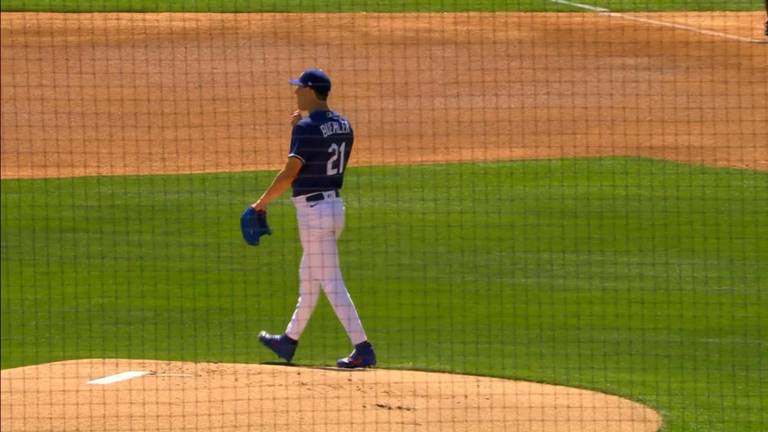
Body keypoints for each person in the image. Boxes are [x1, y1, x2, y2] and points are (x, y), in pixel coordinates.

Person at [252, 68, 376, 369]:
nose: (296, 92)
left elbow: (291, 173)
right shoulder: (344, 125)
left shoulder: (307, 128)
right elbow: (320, 154)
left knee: (331, 282)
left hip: (313, 214)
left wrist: (261, 203)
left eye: (299, 87)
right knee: (309, 278)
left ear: (310, 90)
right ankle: (288, 340)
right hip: (334, 208)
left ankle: (363, 348)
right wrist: (300, 129)